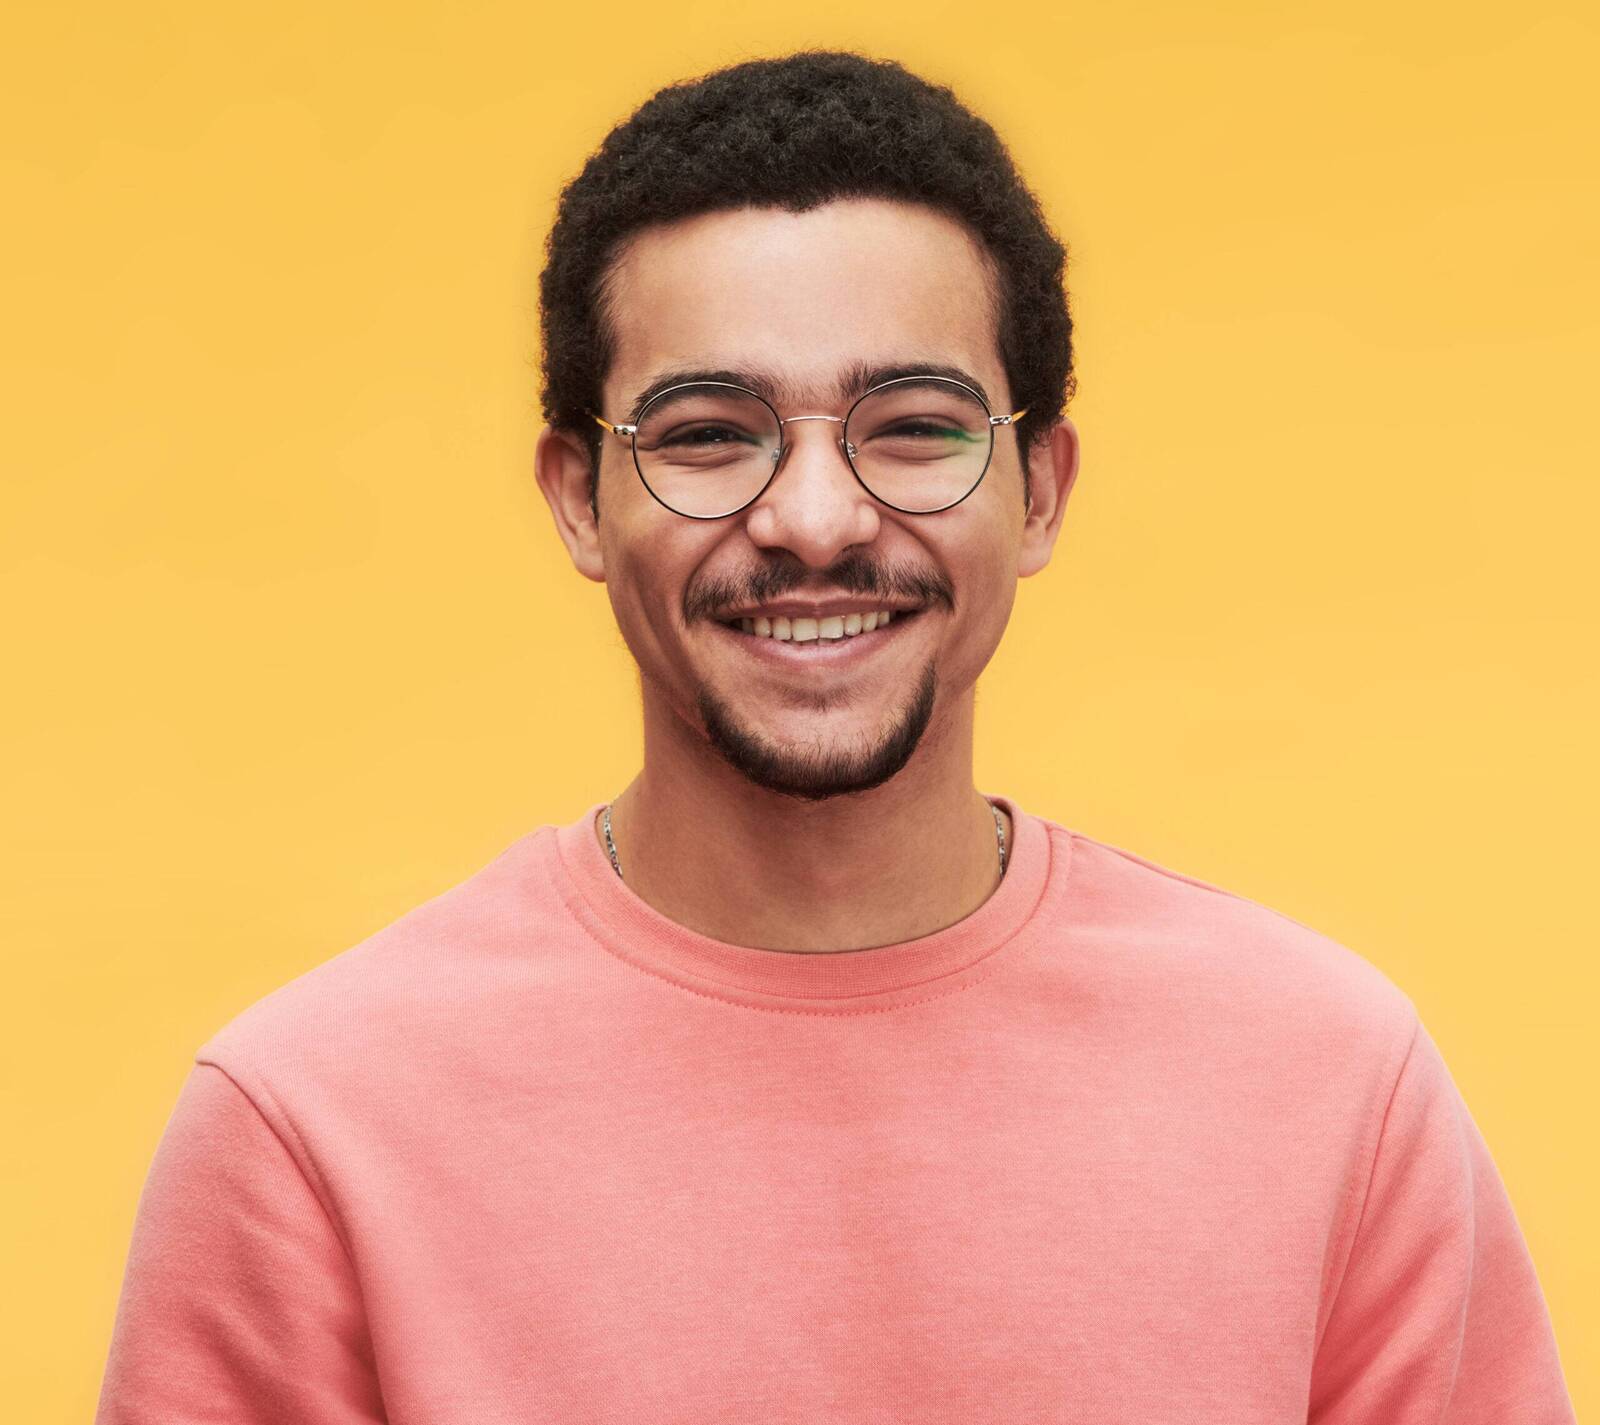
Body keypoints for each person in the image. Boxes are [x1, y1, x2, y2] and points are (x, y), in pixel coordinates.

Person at [95, 50, 1576, 1422]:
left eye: (917, 425)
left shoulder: (1329, 1086)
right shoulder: (309, 1127)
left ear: (1041, 487)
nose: (813, 518)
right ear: (574, 498)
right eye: (706, 431)